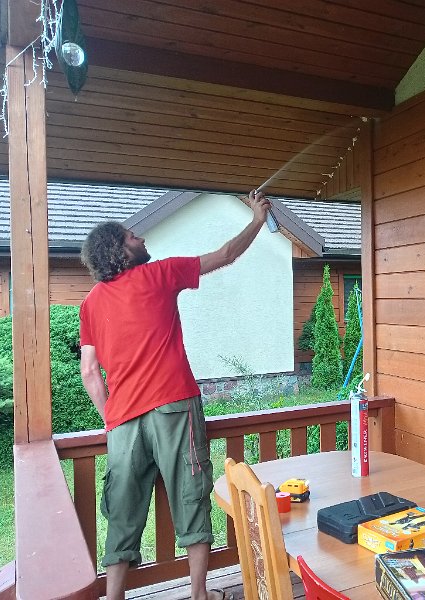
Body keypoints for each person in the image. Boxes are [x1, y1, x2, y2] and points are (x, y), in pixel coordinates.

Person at [78, 190, 271, 600]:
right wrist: (257, 219)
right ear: (119, 250)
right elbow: (225, 254)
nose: (141, 238)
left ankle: (114, 597)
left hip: (123, 422)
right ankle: (199, 594)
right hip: (174, 406)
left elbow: (90, 372)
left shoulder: (90, 303)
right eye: (132, 236)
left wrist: (112, 417)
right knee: (191, 497)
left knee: (122, 510)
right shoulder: (159, 274)